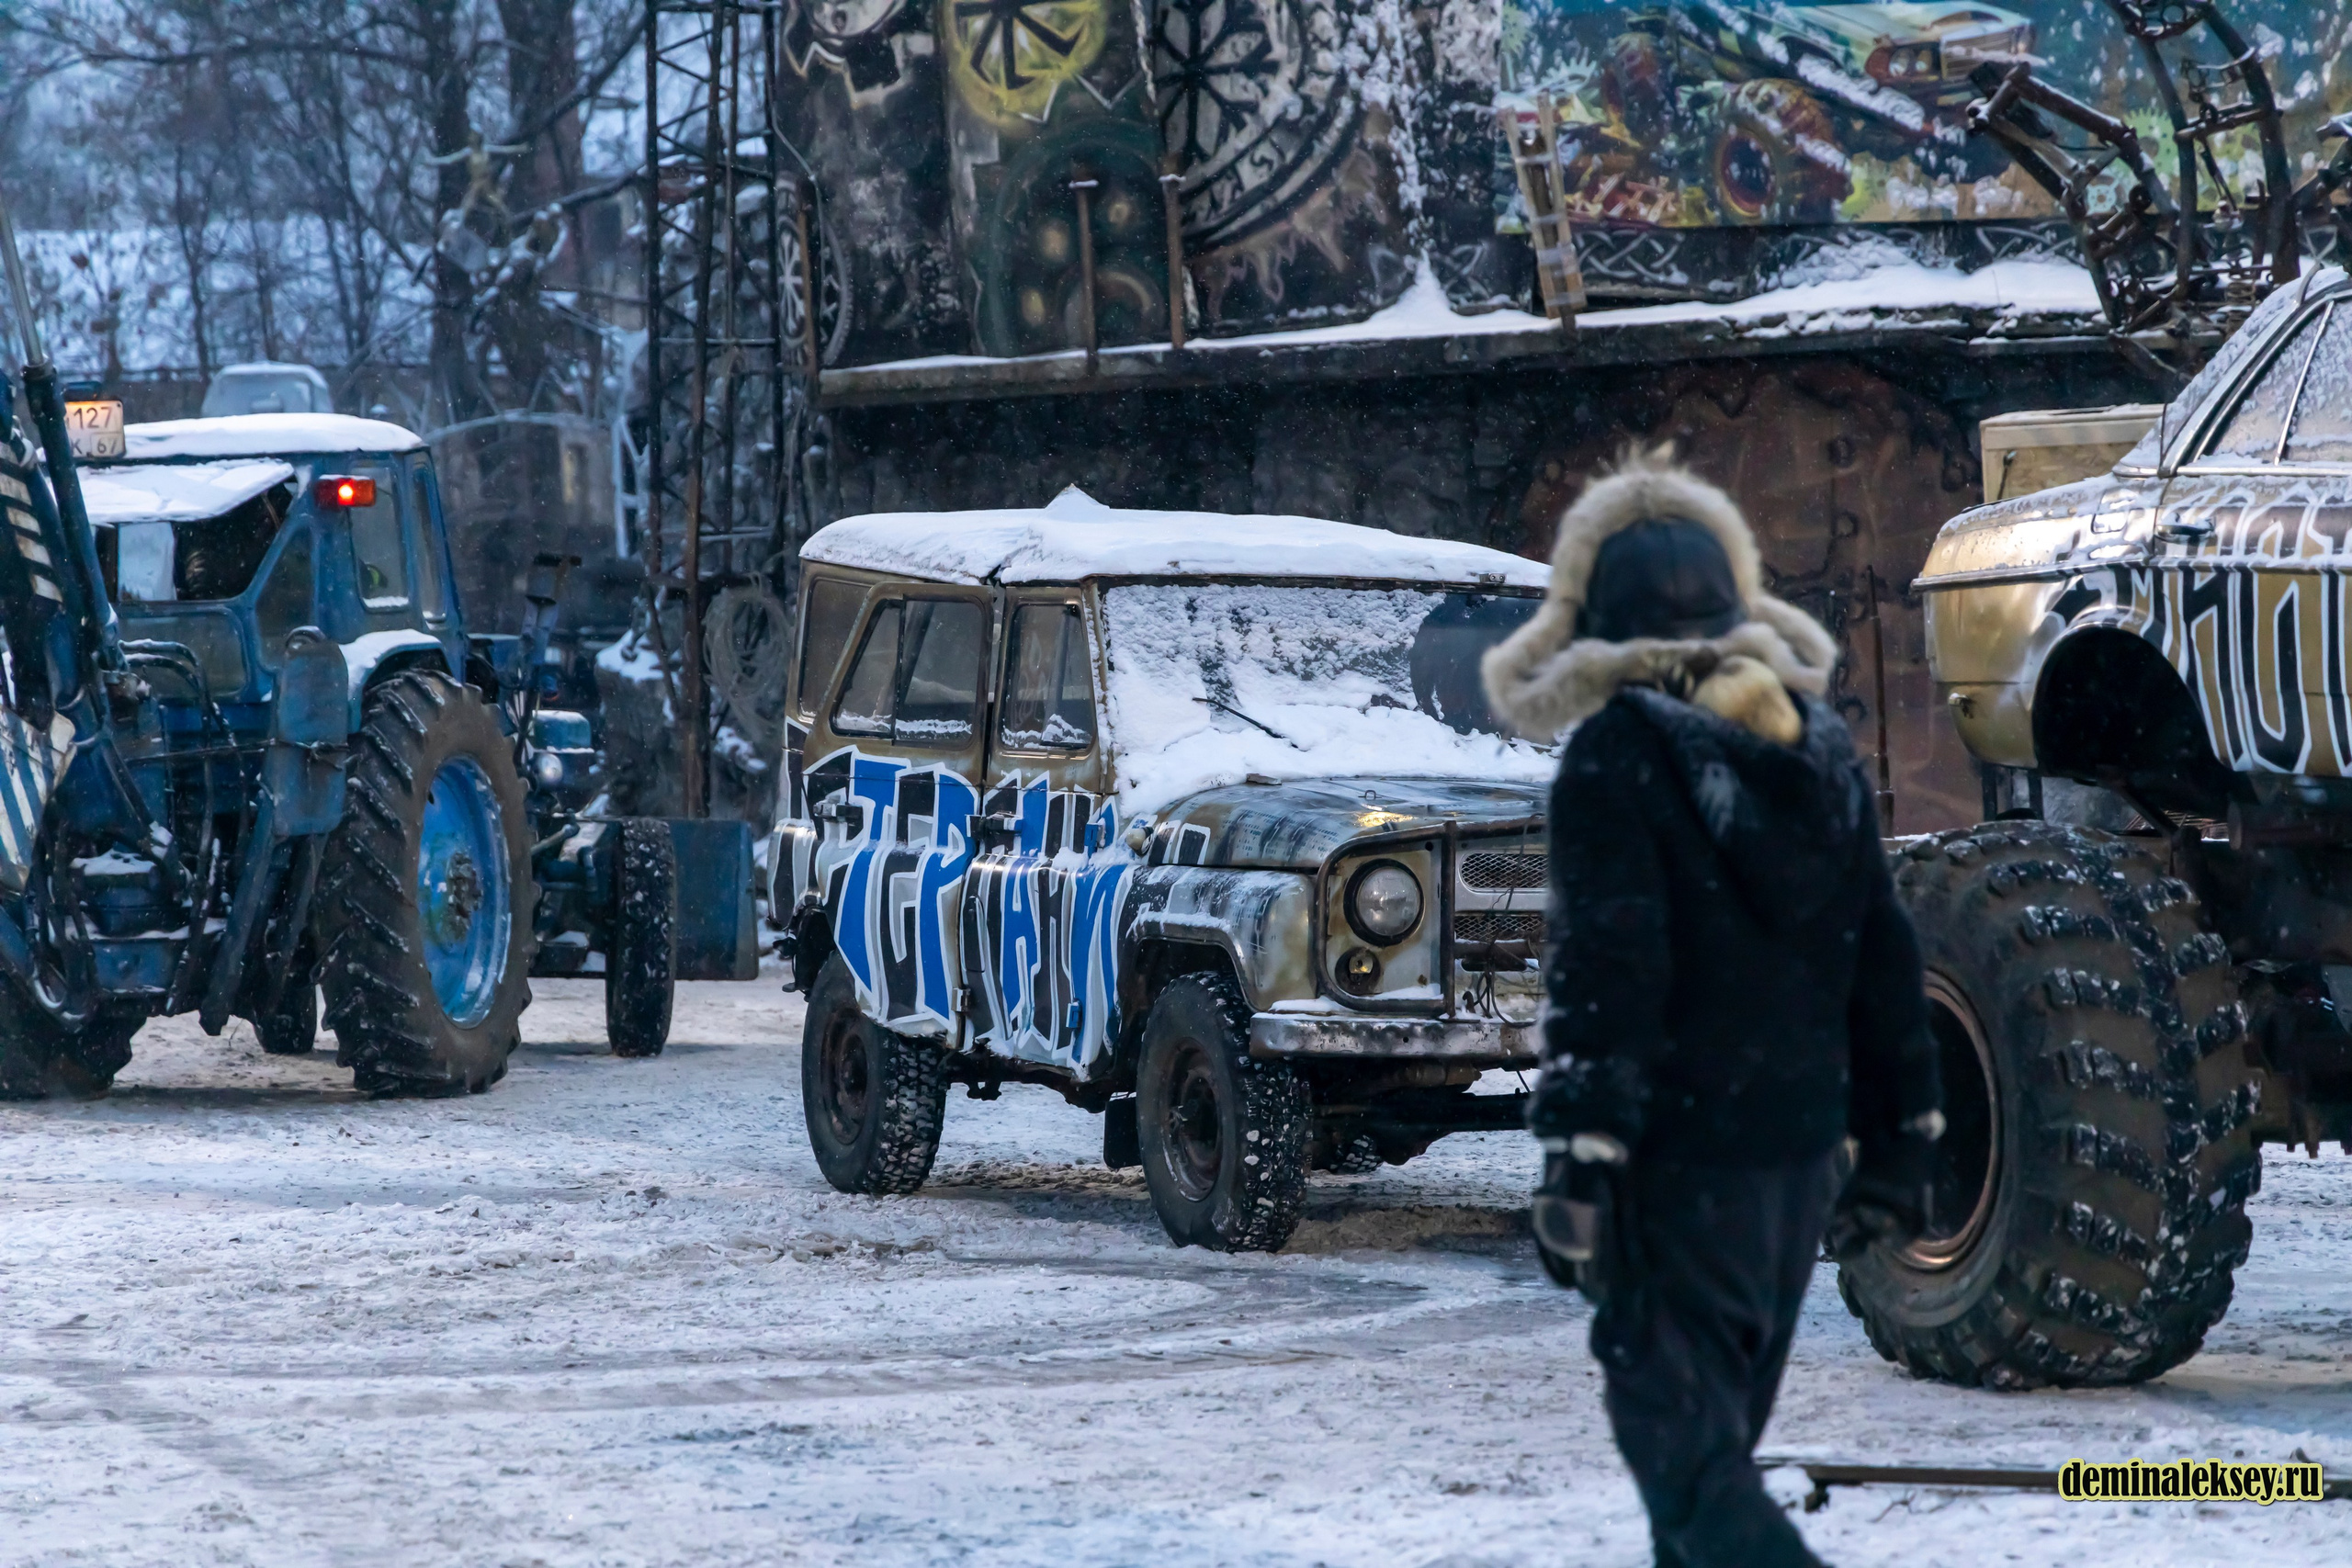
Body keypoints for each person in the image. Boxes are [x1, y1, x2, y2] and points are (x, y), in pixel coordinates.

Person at [1480, 446, 1943, 1568]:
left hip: (1675, 1168)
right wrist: (1899, 1140)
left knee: (1693, 1486)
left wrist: (1579, 1154)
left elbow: (1612, 965)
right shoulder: (1818, 750)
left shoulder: (1618, 757)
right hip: (1795, 1170)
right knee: (1704, 1480)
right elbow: (1881, 948)